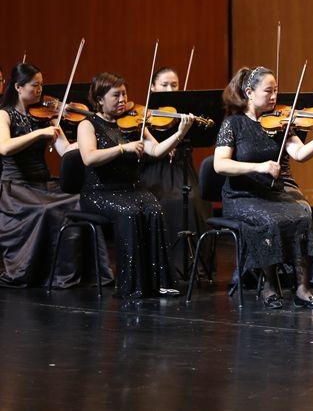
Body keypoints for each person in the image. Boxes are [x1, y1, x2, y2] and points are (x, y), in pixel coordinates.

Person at [213, 66, 313, 309]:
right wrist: (259, 166)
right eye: (268, 91)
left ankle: (302, 289)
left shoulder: (280, 123)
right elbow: (220, 165)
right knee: (269, 221)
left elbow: (300, 154)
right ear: (249, 93)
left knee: (302, 216)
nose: (274, 97)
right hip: (241, 196)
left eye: (276, 91)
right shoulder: (233, 124)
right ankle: (269, 285)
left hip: (272, 193)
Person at [77, 72, 193, 299]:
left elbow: (156, 151)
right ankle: (131, 285)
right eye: (116, 95)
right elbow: (89, 158)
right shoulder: (88, 125)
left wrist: (181, 133)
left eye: (124, 94)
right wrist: (123, 148)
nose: (123, 100)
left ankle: (159, 283)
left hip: (132, 188)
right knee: (129, 213)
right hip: (99, 192)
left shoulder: (133, 122)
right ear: (100, 99)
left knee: (155, 210)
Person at [0, 63, 112, 288]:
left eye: (42, 85)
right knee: (45, 210)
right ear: (18, 87)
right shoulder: (4, 114)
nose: (40, 90)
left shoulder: (45, 116)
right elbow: (4, 147)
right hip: (16, 188)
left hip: (43, 183)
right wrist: (39, 133)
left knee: (80, 201)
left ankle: (77, 272)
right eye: (35, 85)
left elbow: (65, 150)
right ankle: (45, 273)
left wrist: (90, 143)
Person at [139, 66, 212, 279]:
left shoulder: (183, 114)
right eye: (164, 85)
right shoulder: (144, 115)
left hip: (182, 169)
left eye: (174, 85)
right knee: (170, 201)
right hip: (154, 170)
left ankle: (194, 263)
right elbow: (150, 148)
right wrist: (164, 145)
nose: (170, 89)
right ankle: (166, 263)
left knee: (197, 200)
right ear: (153, 87)